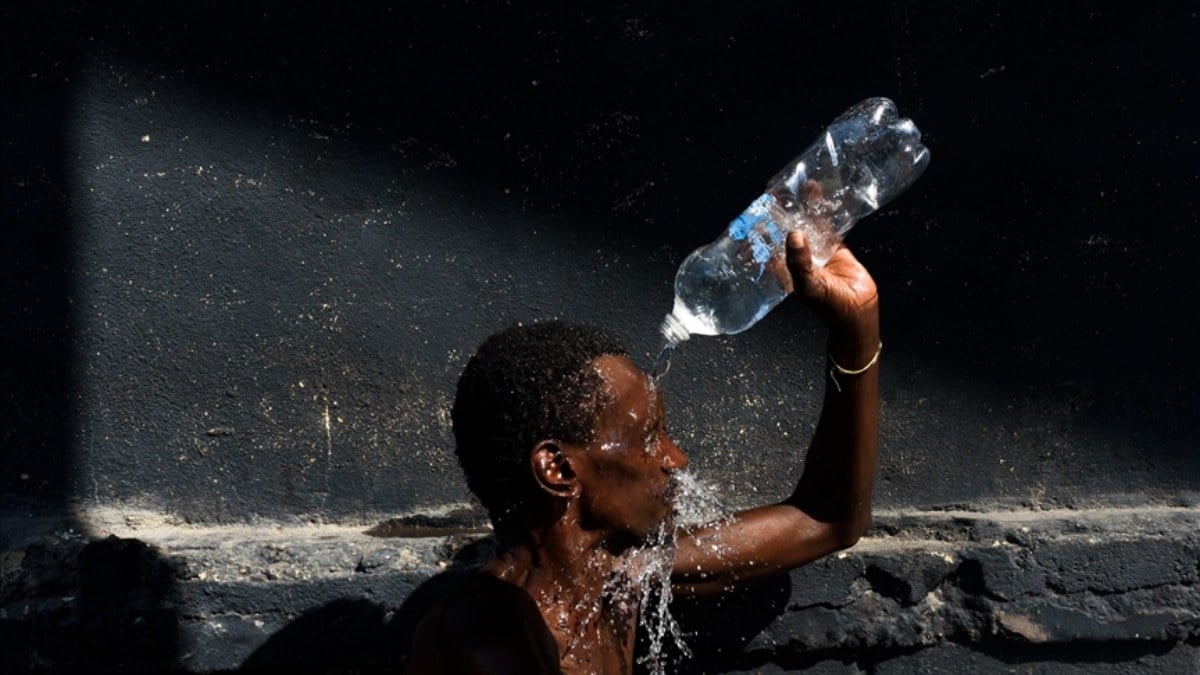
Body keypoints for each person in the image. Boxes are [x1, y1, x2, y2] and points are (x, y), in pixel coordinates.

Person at [404, 230, 881, 674]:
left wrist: (856, 325)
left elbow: (827, 519)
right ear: (558, 469)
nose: (676, 459)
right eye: (649, 437)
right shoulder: (484, 640)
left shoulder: (619, 578)